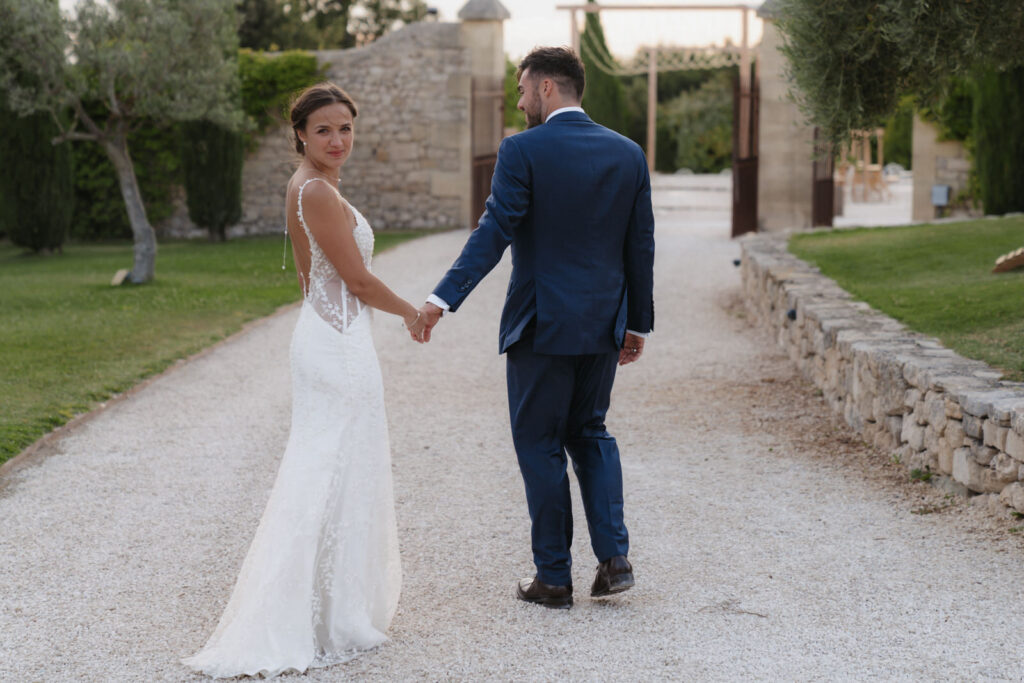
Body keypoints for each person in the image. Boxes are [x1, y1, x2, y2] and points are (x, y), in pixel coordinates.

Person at [183, 83, 427, 678]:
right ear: (300, 134)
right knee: (328, 469)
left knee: (334, 467)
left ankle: (327, 606)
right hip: (337, 345)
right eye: (323, 130)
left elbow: (307, 274)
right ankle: (312, 614)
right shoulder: (315, 189)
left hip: (329, 334)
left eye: (345, 128)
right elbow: (358, 280)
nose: (337, 140)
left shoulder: (309, 185)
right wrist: (412, 314)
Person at [417, 47, 655, 609]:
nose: (520, 102)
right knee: (591, 432)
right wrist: (637, 323)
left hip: (541, 326)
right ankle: (615, 560)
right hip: (603, 325)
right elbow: (640, 244)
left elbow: (494, 230)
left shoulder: (522, 150)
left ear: (547, 87)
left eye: (523, 90)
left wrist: (441, 298)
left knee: (541, 444)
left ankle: (553, 578)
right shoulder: (628, 153)